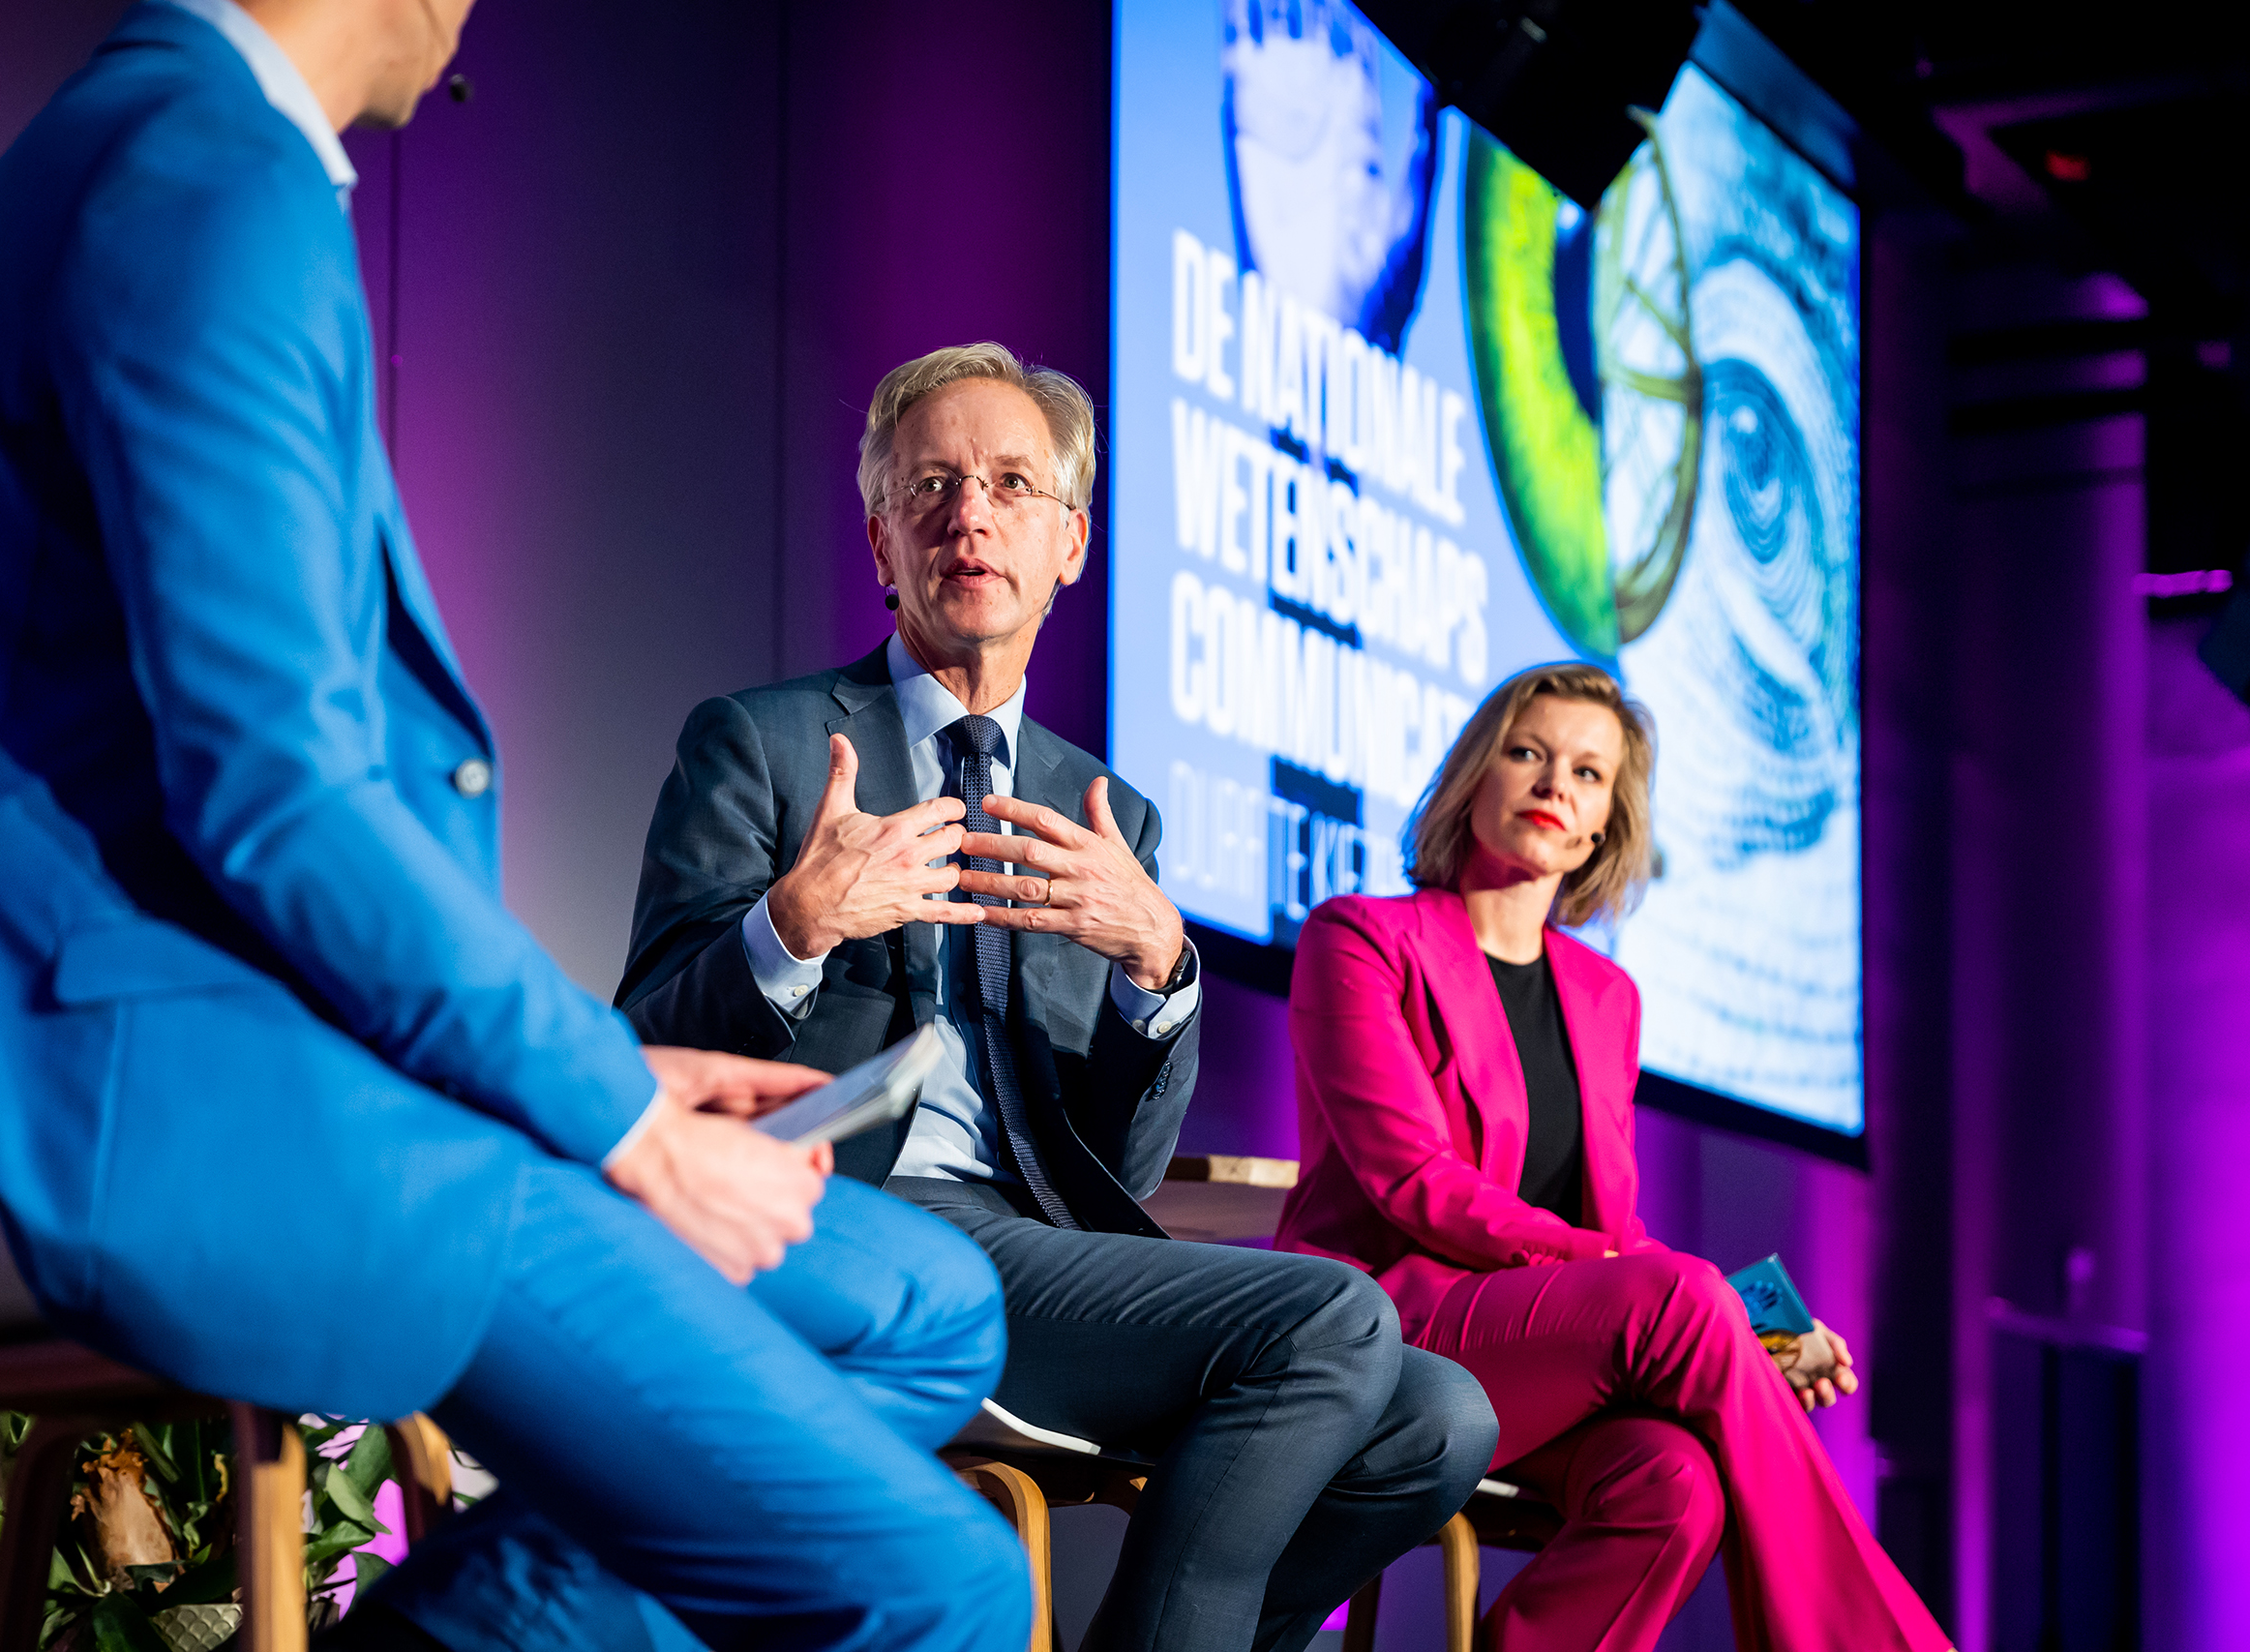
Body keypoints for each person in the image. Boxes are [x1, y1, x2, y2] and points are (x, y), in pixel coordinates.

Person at [0, 2, 1029, 1648]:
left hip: (234, 1048)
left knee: (932, 1303)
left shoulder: (166, 148)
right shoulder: (209, 181)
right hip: (150, 1091)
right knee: (946, 1578)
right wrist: (615, 1111)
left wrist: (586, 1082)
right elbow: (278, 790)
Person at [618, 342, 1498, 1652]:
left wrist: (1160, 972)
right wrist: (792, 926)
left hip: (1029, 1242)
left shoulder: (1106, 808)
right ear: (882, 541)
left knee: (1444, 1418)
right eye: (930, 485)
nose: (968, 512)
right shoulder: (769, 741)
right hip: (843, 1223)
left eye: (1010, 482)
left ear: (1071, 541)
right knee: (1333, 1313)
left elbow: (1122, 1162)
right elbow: (641, 1050)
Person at [1275, 663, 1952, 1652]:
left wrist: (1759, 1329)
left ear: (1602, 826)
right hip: (1388, 1326)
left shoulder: (1605, 998)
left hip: (1538, 1347)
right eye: (1528, 753)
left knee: (1672, 1486)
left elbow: (1617, 1235)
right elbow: (1413, 1185)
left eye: (1588, 774)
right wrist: (1649, 1285)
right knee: (1675, 1303)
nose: (1556, 784)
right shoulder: (1361, 939)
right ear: (1474, 776)